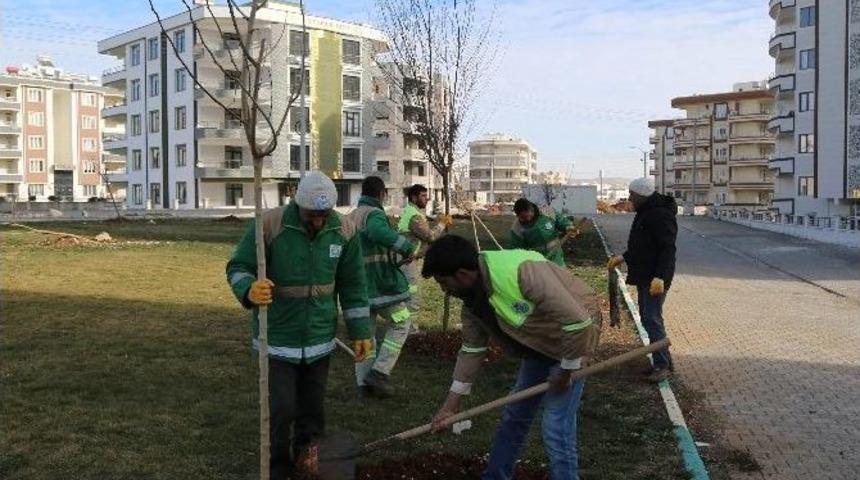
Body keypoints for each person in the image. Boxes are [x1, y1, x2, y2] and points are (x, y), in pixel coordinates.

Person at [225, 171, 373, 479]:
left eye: (323, 215)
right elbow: (239, 266)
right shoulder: (269, 225)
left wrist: (361, 332)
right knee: (280, 411)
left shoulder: (344, 229)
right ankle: (278, 468)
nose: (318, 221)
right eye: (311, 215)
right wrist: (249, 289)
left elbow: (354, 285)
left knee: (312, 411)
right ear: (297, 203)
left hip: (320, 341)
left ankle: (308, 464)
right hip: (277, 340)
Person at [424, 235, 601, 480]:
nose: (444, 290)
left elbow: (578, 321)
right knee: (514, 415)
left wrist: (566, 371)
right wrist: (450, 407)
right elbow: (471, 352)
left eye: (444, 282)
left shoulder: (521, 272)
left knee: (556, 427)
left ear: (463, 274)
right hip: (538, 345)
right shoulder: (472, 301)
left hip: (574, 340)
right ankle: (496, 476)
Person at [347, 176, 418, 398]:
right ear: (381, 194)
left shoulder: (351, 217)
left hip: (358, 289)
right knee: (402, 321)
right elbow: (378, 233)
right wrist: (405, 247)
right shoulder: (374, 214)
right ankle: (380, 372)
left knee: (365, 338)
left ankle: (364, 386)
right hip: (381, 286)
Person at [607, 177, 677, 382]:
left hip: (655, 278)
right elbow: (642, 247)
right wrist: (624, 257)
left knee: (651, 320)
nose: (630, 198)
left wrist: (660, 277)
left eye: (632, 195)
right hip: (646, 275)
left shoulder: (661, 215)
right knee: (650, 318)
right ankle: (664, 361)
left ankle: (662, 366)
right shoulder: (645, 212)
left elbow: (667, 249)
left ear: (642, 195)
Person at [397, 184, 454, 332]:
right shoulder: (414, 216)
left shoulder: (412, 212)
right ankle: (411, 330)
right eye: (423, 195)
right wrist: (442, 224)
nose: (427, 198)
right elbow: (431, 236)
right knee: (412, 296)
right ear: (414, 197)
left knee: (408, 295)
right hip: (407, 260)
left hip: (406, 259)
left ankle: (406, 327)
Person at [510, 198, 578, 266]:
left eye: (528, 216)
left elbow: (562, 221)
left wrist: (568, 227)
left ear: (532, 209)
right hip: (536, 260)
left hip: (556, 256)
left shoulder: (548, 212)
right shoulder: (517, 228)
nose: (528, 219)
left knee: (559, 275)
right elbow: (517, 250)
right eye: (523, 218)